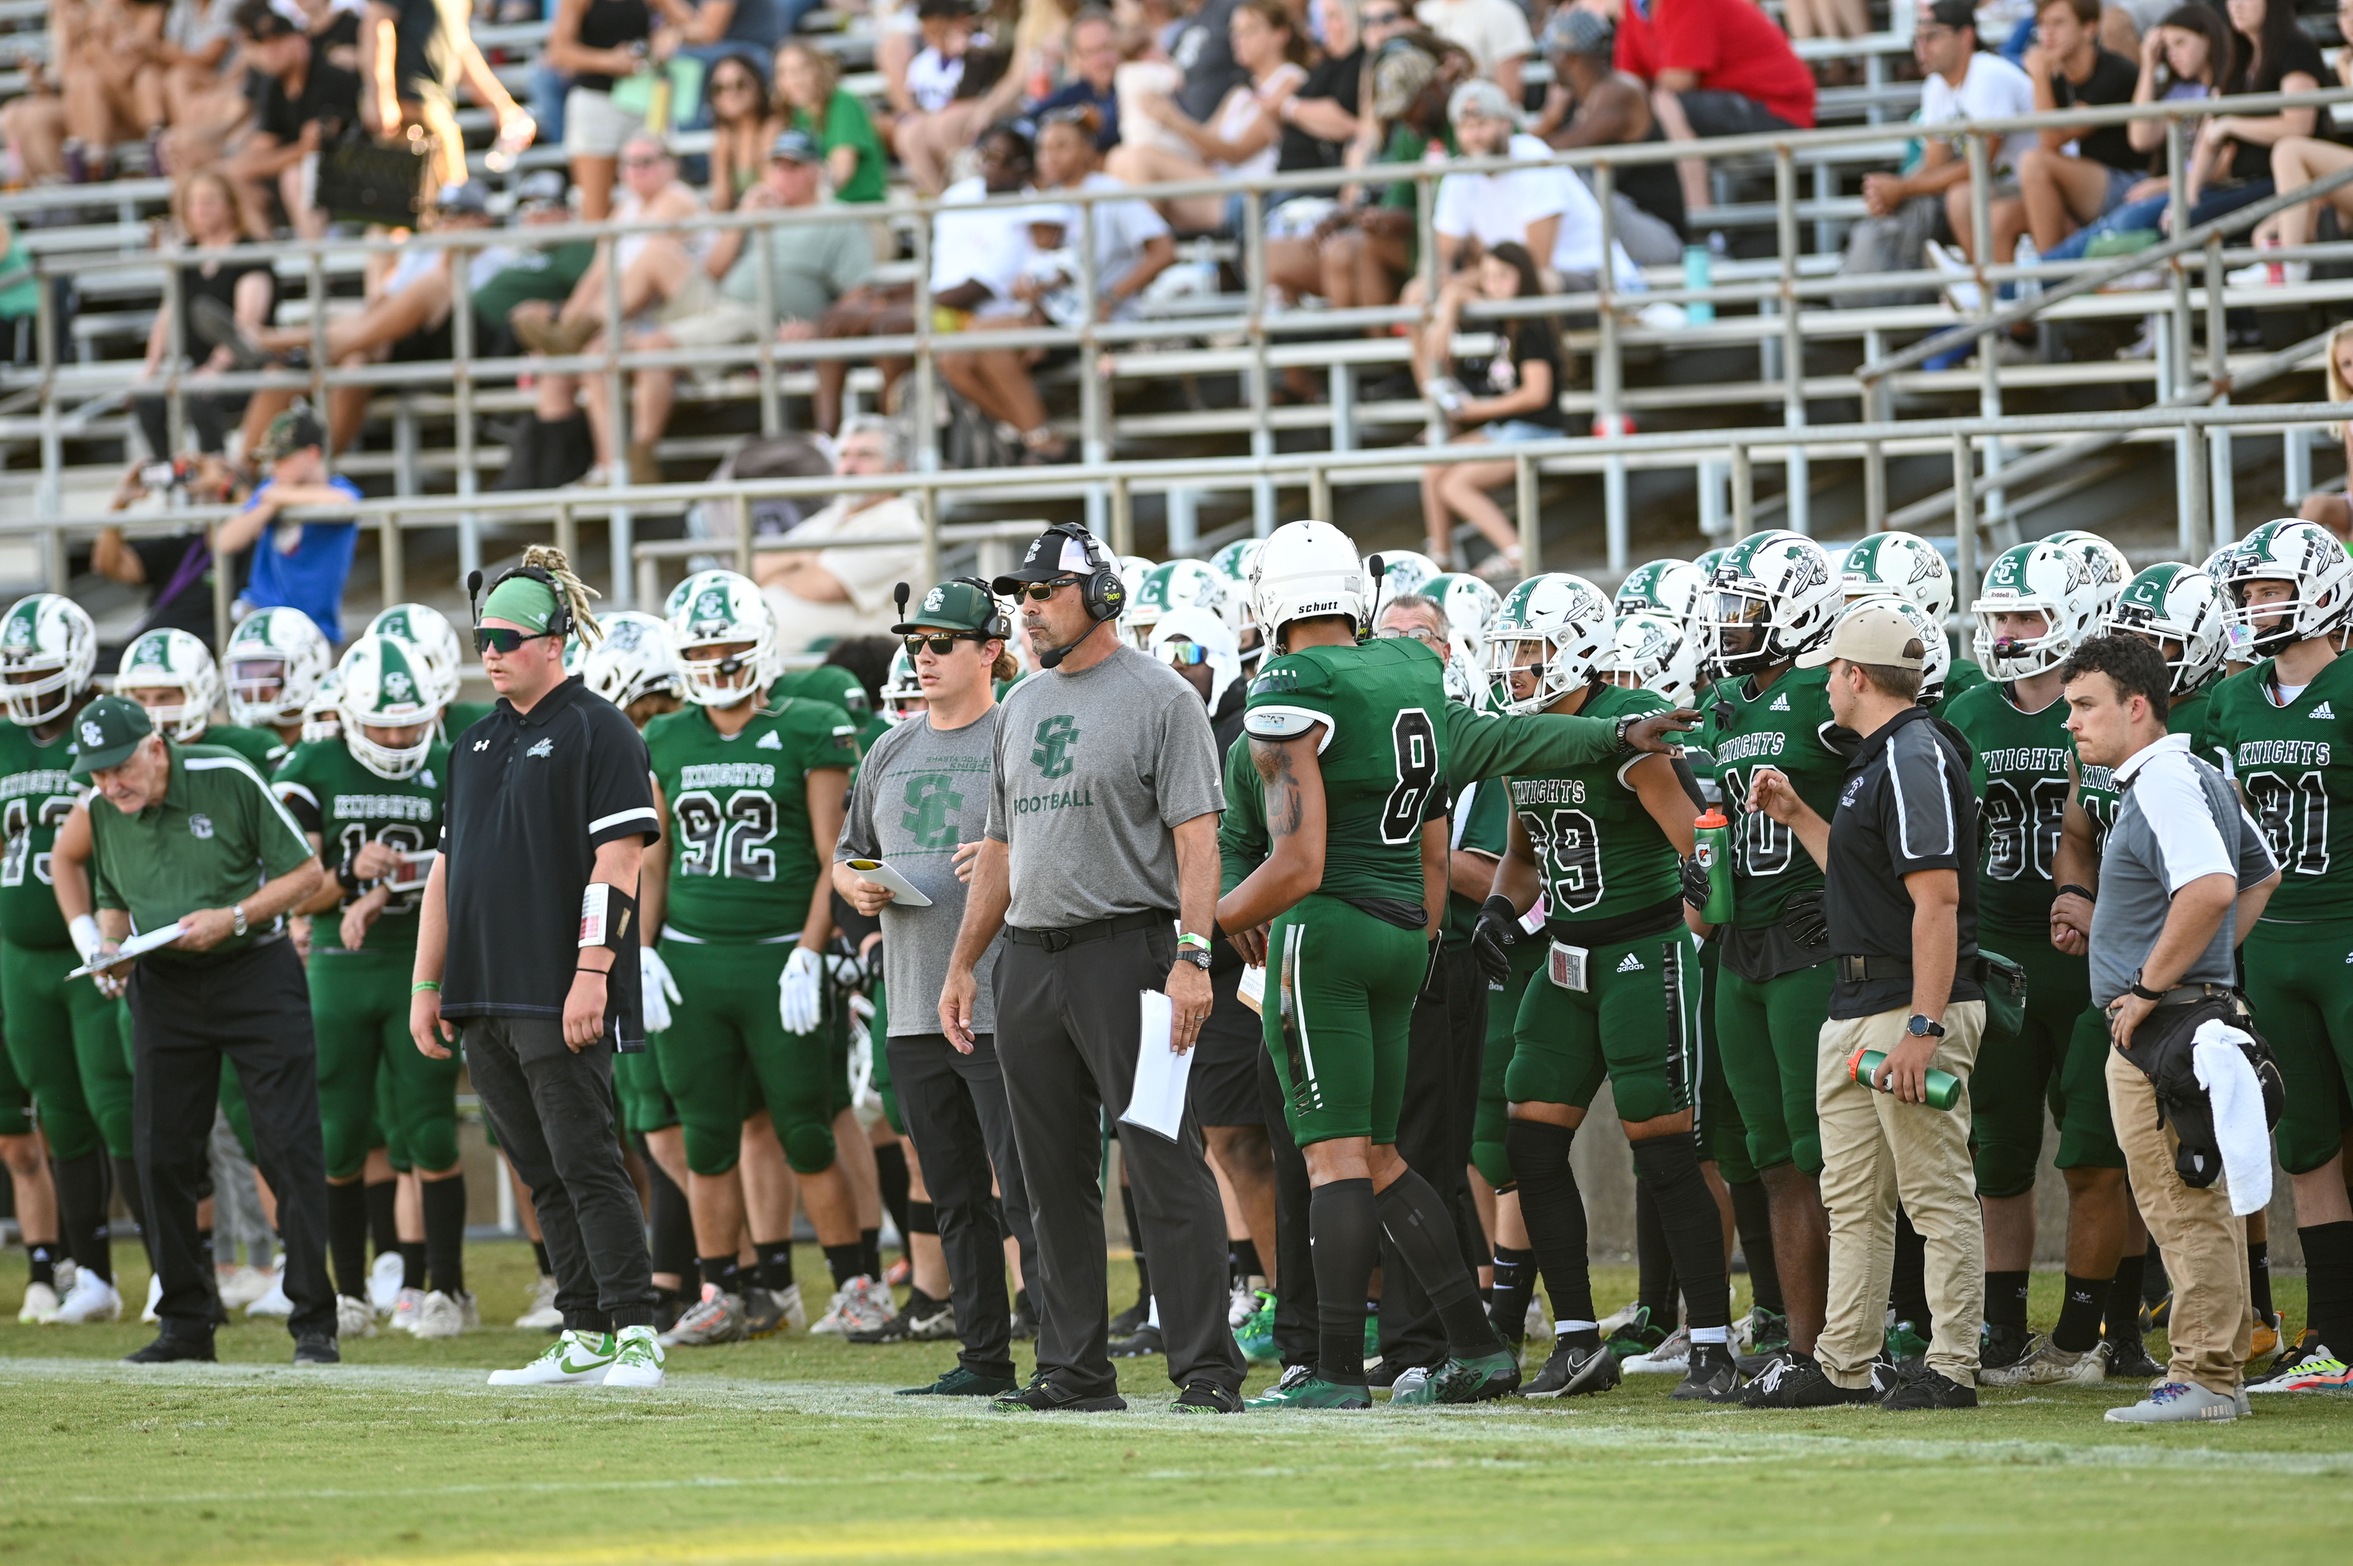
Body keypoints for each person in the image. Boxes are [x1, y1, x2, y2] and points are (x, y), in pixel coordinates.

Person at [932, 520, 1242, 1413]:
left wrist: (1193, 958)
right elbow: (1000, 845)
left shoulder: (1161, 696)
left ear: (1100, 597)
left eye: (1043, 593)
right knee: (1047, 1179)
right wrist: (964, 963)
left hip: (1128, 954)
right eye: (1021, 596)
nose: (1027, 609)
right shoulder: (1021, 704)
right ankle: (1071, 1370)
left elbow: (1198, 839)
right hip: (1029, 960)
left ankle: (1207, 1369)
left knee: (1163, 1161)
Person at [1470, 571, 1739, 1402]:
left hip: (1638, 954)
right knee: (1529, 1144)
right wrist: (1498, 912)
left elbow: (1698, 840)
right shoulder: (1523, 737)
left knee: (1663, 1149)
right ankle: (1577, 1339)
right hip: (1564, 956)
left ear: (1577, 649)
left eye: (1529, 650)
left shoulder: (1627, 729)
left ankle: (1710, 1343)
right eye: (1509, 650)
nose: (1513, 666)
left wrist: (1697, 903)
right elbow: (1522, 857)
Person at [408, 549, 667, 1388]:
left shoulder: (601, 729)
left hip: (556, 991)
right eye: (482, 639)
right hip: (481, 992)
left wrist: (592, 973)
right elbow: (446, 872)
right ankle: (582, 1329)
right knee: (538, 1173)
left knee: (587, 1161)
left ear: (554, 642)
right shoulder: (471, 743)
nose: (490, 653)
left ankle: (636, 1329)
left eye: (507, 640)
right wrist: (426, 984)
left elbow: (618, 862)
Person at [1736, 602, 1988, 1410]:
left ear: (1853, 676)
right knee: (1851, 1197)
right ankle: (1844, 1360)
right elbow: (1860, 878)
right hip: (1856, 1000)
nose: (1824, 688)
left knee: (1934, 1191)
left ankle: (1952, 1364)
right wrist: (1797, 816)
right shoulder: (1882, 755)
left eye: (1830, 675)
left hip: (1902, 1001)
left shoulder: (1912, 754)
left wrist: (1923, 1023)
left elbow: (1937, 901)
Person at [637, 568, 887, 1343]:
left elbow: (831, 853)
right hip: (689, 962)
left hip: (779, 958)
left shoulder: (810, 725)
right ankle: (723, 1290)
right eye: (702, 649)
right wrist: (640, 951)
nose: (717, 662)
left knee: (806, 1128)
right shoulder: (665, 736)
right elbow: (654, 861)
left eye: (730, 646)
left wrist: (810, 950)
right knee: (705, 1134)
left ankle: (857, 1284)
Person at [2054, 633, 2279, 1421]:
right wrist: (2201, 963)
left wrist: (2153, 984)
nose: (2071, 723)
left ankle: (2204, 1376)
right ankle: (2215, 1372)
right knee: (2192, 1203)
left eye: (2085, 706)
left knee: (2182, 1208)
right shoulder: (2196, 774)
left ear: (2136, 706)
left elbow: (2215, 886)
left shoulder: (2162, 782)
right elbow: (2260, 874)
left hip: (2164, 1027)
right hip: (2187, 1016)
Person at [78, 694, 334, 1365]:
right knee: (160, 1152)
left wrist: (236, 916)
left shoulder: (227, 775)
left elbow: (307, 874)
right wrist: (110, 950)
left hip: (255, 970)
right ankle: (185, 1323)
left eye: (120, 767)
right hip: (164, 981)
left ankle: (315, 1321)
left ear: (155, 746)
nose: (110, 784)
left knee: (288, 1145)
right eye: (98, 773)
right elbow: (111, 896)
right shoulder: (102, 808)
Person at [835, 577, 1041, 1395]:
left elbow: (1065, 837)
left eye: (940, 644)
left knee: (1025, 1190)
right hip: (913, 1002)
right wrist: (858, 885)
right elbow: (846, 853)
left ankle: (1064, 1356)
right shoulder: (888, 747)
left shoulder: (1017, 731)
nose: (922, 657)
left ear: (990, 651)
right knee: (953, 1194)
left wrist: (1007, 857)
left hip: (1000, 1001)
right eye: (915, 643)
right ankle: (983, 1357)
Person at [1936, 541, 2125, 1380]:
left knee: (2096, 1152)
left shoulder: (2100, 704)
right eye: (1999, 616)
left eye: (2026, 615)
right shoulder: (1967, 711)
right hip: (1995, 953)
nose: (2008, 632)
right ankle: (2002, 1327)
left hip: (2090, 958)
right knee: (1998, 1154)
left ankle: (2097, 1330)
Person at [272, 634, 472, 1342]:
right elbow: (295, 890)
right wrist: (351, 876)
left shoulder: (451, 760)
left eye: (409, 724)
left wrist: (387, 885)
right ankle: (349, 1291)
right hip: (338, 965)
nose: (395, 738)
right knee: (338, 1134)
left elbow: (470, 868)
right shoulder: (314, 763)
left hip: (420, 962)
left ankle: (445, 1286)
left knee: (429, 1127)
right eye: (382, 725)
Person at [1686, 530, 1846, 1405]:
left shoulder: (1826, 692)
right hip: (1739, 947)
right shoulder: (1724, 704)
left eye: (1743, 608)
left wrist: (1850, 887)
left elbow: (1905, 779)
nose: (1727, 624)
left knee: (1828, 1157)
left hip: (1809, 945)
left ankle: (1858, 1338)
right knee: (1772, 1160)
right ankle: (1800, 1342)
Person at [2202, 518, 2353, 1393]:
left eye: (2270, 592)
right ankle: (2333, 1339)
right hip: (2274, 944)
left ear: (2323, 593)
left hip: (2345, 933)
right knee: (2306, 1147)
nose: (2255, 607)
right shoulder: (2232, 700)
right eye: (2249, 593)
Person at [584, 130, 874, 488]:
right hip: (720, 307)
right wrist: (743, 217)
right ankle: (609, 466)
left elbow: (859, 294)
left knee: (654, 345)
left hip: (759, 318)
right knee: (599, 349)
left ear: (817, 171)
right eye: (777, 166)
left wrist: (817, 328)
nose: (784, 175)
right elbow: (713, 269)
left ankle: (639, 461)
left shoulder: (837, 218)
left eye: (794, 166)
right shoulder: (755, 210)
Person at [0, 594, 130, 1326]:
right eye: (16, 670)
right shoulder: (4, 741)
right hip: (22, 958)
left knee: (119, 1109)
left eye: (37, 669)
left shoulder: (106, 727)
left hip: (94, 949)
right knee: (61, 1116)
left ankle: (176, 1273)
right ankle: (92, 1276)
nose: (24, 684)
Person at [936, 108, 1171, 465]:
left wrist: (1111, 297)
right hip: (1050, 314)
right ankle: (1040, 438)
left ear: (1087, 151)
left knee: (987, 341)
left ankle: (1043, 443)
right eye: (1044, 148)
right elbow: (1042, 267)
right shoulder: (1042, 197)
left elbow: (1163, 251)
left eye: (1062, 146)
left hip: (1096, 317)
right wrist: (1029, 299)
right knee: (953, 359)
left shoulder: (1109, 192)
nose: (1050, 156)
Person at [1412, 241, 1568, 580]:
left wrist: (1480, 409)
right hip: (1504, 428)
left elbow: (1536, 394)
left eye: (1503, 276)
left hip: (1534, 429)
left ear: (1524, 277)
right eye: (1487, 277)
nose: (1493, 285)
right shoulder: (1503, 316)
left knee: (1456, 485)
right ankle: (1441, 558)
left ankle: (1516, 553)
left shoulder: (1532, 326)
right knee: (1435, 466)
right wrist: (1446, 316)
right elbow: (1457, 291)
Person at [1598, 0, 1816, 224]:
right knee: (1640, 112)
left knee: (1663, 105)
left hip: (1777, 110)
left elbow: (1678, 81)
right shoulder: (1635, 8)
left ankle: (1700, 224)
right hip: (1727, 105)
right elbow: (1626, 86)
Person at [1106, 0, 1308, 234]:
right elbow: (1205, 149)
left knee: (1138, 160)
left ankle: (1150, 248)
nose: (1238, 39)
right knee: (1119, 157)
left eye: (1250, 30)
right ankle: (1144, 248)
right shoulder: (1239, 92)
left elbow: (1237, 152)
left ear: (1280, 35)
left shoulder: (1291, 79)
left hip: (1251, 195)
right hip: (1222, 187)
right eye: (1235, 32)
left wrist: (1172, 119)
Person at [1431, 81, 1639, 298]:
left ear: (1505, 124)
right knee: (1420, 293)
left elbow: (1532, 267)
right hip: (1506, 284)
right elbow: (1440, 260)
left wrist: (1456, 286)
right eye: (1465, 127)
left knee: (1533, 282)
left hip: (1594, 278)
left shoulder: (1534, 158)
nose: (1474, 136)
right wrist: (1441, 285)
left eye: (1482, 124)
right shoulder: (1459, 174)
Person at [133, 171, 278, 462]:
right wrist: (151, 369)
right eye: (194, 203)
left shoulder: (249, 253)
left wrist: (215, 368)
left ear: (230, 206)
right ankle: (168, 473)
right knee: (148, 400)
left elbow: (245, 326)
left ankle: (217, 474)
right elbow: (167, 316)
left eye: (209, 201)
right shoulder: (186, 256)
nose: (200, 210)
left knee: (202, 397)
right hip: (199, 368)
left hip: (245, 365)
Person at [751, 416, 927, 654]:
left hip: (847, 660)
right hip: (771, 647)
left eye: (865, 456)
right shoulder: (835, 514)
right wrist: (802, 558)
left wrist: (785, 568)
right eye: (844, 455)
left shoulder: (900, 525)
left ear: (897, 470)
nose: (850, 467)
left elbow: (821, 587)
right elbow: (755, 567)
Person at [1532, 6, 1685, 259]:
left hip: (1658, 236)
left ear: (1568, 58)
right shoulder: (1580, 99)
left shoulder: (1620, 92)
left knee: (1572, 183)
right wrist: (1550, 119)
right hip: (1626, 225)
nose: (1550, 63)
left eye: (1553, 54)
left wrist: (1549, 120)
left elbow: (1554, 153)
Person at [2006, 0, 2144, 259]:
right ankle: (1990, 283)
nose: (2047, 34)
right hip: (2090, 185)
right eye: (2042, 25)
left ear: (2089, 28)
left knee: (2034, 163)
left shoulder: (2115, 71)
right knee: (2000, 217)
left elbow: (2051, 138)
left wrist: (2039, 75)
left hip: (2134, 184)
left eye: (2058, 23)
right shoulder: (2060, 78)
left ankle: (2048, 272)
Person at [220, 407, 361, 644]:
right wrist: (270, 505)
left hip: (316, 628)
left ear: (312, 454)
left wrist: (280, 497)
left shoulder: (338, 489)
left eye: (282, 458)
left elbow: (345, 502)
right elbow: (226, 541)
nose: (274, 467)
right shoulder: (270, 491)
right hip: (263, 617)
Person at [361, 0, 535, 189]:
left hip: (437, 107)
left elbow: (461, 47)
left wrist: (501, 105)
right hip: (408, 107)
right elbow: (378, 22)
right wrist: (380, 95)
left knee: (452, 192)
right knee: (431, 196)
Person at [225, 0, 362, 237]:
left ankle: (313, 255)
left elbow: (313, 148)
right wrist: (284, 155)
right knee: (233, 175)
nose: (271, 52)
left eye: (278, 42)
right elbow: (260, 149)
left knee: (294, 176)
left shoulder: (327, 76)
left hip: (347, 172)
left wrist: (282, 156)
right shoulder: (274, 85)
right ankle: (264, 251)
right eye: (265, 45)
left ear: (300, 41)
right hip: (295, 170)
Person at [547, 0, 657, 221]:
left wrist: (669, 35)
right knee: (596, 210)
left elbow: (696, 27)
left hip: (643, 100)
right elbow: (558, 51)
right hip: (595, 101)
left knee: (653, 200)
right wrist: (609, 61)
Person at [1414, 0, 1528, 100]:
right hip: (1431, 113)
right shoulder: (1421, 12)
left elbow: (1509, 94)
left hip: (1482, 112)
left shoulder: (1501, 12)